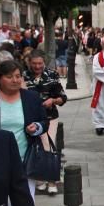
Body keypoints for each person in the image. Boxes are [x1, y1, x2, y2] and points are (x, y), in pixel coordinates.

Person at [0, 61, 47, 206]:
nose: (15, 80)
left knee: (25, 195)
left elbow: (43, 121)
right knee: (1, 195)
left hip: (25, 155)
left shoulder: (31, 97)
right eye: (9, 76)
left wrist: (37, 127)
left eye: (18, 76)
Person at [24, 52, 67, 196]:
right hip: (29, 118)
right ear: (29, 63)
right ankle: (39, 179)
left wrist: (53, 101)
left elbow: (62, 97)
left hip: (49, 116)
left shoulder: (52, 75)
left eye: (40, 63)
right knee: (33, 148)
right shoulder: (23, 76)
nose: (37, 66)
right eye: (34, 63)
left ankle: (51, 181)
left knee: (47, 146)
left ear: (44, 63)